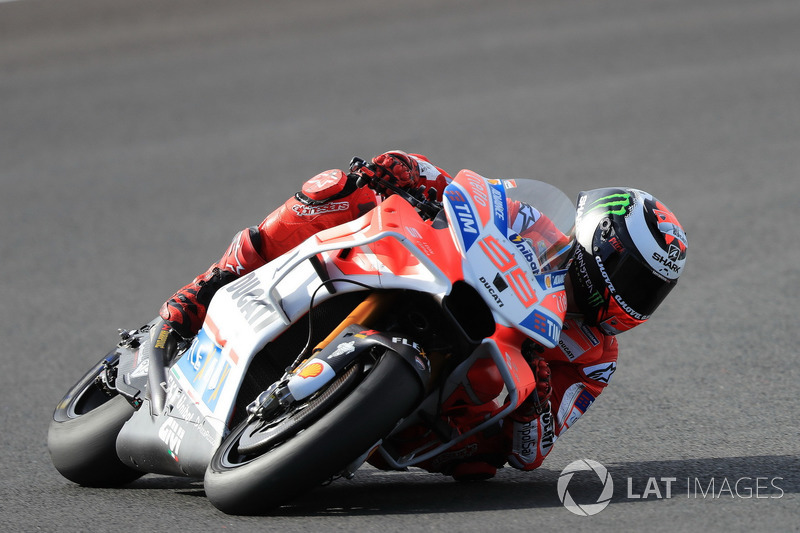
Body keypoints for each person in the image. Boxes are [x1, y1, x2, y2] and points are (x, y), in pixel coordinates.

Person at [159, 151, 688, 480]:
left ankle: (353, 423)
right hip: (438, 281)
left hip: (456, 389)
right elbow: (471, 198)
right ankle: (209, 286)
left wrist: (537, 401)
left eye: (651, 292)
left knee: (482, 466)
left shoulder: (596, 356)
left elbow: (533, 454)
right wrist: (409, 172)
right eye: (633, 276)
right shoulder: (537, 224)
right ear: (600, 239)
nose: (633, 298)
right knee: (343, 188)